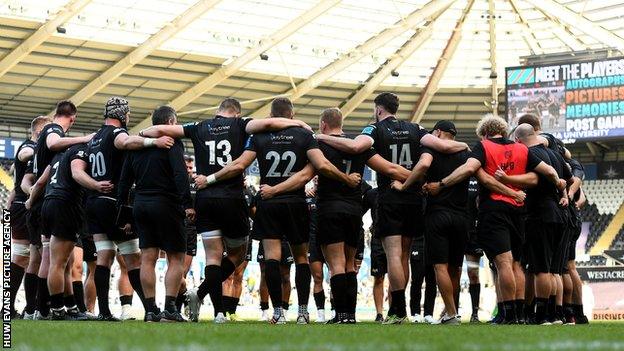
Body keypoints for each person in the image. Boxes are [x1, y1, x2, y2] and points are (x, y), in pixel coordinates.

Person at [139, 97, 310, 323]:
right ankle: (200, 294)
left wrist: (142, 135)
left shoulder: (198, 127)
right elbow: (268, 125)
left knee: (212, 256)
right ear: (237, 113)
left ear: (219, 111)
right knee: (238, 253)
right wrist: (297, 124)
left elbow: (161, 128)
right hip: (232, 198)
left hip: (205, 199)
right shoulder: (241, 124)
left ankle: (218, 314)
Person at [201, 97, 361, 324]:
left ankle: (278, 313)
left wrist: (209, 178)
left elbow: (238, 165)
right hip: (295, 203)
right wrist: (347, 179)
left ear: (271, 116)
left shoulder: (259, 136)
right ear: (292, 115)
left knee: (272, 260)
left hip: (269, 202)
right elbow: (317, 169)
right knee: (300, 258)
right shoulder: (305, 136)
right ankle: (303, 313)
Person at [315, 93, 469, 324]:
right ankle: (400, 310)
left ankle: (398, 310)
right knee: (404, 256)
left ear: (378, 109)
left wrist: (319, 136)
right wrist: (464, 144)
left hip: (391, 197)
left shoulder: (374, 129)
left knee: (394, 255)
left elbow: (358, 146)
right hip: (414, 199)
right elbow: (443, 146)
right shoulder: (416, 128)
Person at [423, 115, 565, 324]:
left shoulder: (484, 146)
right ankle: (518, 314)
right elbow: (544, 173)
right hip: (519, 211)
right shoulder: (522, 149)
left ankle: (507, 313)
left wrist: (442, 184)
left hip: (495, 210)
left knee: (503, 263)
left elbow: (470, 169)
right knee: (517, 264)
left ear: (485, 132)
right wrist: (559, 187)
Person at [73, 97, 173, 321]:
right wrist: (153, 142)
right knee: (133, 258)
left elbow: (78, 171)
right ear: (121, 115)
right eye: (127, 114)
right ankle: (151, 309)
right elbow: (125, 143)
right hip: (113, 203)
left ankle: (105, 313)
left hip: (93, 203)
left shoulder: (94, 138)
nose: (128, 118)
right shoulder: (115, 133)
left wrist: (94, 185)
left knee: (104, 257)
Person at [117, 105, 195, 322]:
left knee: (148, 258)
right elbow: (180, 175)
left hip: (141, 204)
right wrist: (187, 204)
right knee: (176, 257)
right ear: (170, 122)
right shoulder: (171, 143)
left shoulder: (136, 146)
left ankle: (151, 310)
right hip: (167, 204)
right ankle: (170, 307)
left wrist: (123, 214)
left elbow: (124, 182)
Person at [393, 120, 470, 324]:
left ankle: (451, 313)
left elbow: (424, 165)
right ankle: (450, 312)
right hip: (462, 216)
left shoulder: (430, 149)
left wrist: (404, 186)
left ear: (437, 133)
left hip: (438, 214)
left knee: (440, 267)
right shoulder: (465, 152)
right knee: (455, 268)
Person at [25, 100, 93, 319]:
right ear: (72, 118)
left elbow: (41, 178)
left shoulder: (51, 155)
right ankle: (47, 310)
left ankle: (65, 307)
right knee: (53, 261)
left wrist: (30, 198)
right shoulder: (54, 132)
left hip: (45, 202)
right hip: (59, 202)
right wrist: (85, 139)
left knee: (62, 262)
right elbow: (56, 144)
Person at [501, 124, 571, 325]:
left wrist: (507, 180)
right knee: (553, 269)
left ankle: (541, 316)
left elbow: (546, 176)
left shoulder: (529, 154)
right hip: (560, 214)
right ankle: (555, 314)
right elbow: (568, 179)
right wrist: (562, 192)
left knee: (541, 268)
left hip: (540, 214)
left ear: (518, 139)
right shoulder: (555, 154)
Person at [7, 115, 50, 318]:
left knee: (31, 256)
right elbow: (23, 154)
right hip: (24, 206)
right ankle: (20, 307)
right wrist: (37, 150)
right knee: (26, 257)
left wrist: (7, 207)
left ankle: (26, 306)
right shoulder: (29, 146)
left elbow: (16, 186)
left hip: (21, 205)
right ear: (40, 131)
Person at [464, 177, 483, 323]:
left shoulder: (481, 176)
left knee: (473, 273)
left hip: (477, 232)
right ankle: (452, 312)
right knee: (455, 271)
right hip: (460, 228)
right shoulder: (459, 174)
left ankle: (475, 313)